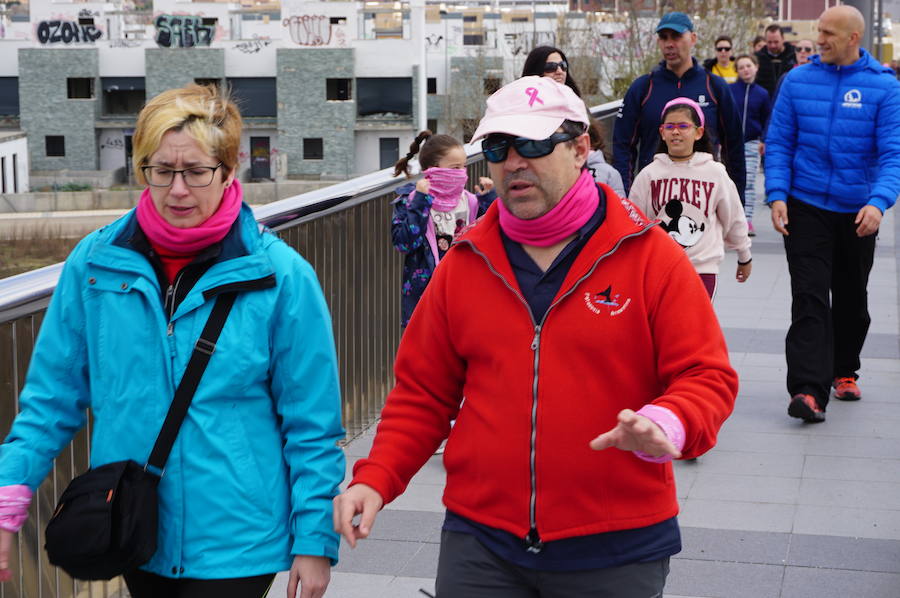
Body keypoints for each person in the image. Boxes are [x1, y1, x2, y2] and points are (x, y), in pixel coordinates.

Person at [334, 75, 738, 598]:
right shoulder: (464, 263)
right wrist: (375, 476)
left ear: (580, 148)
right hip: (481, 544)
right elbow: (423, 393)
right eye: (499, 148)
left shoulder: (650, 255)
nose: (513, 162)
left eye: (533, 144)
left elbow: (706, 375)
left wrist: (669, 421)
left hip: (616, 546)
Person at [0, 84, 345, 598]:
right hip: (137, 526)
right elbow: (50, 399)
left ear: (229, 171)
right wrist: (9, 502)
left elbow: (312, 424)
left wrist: (314, 540)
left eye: (196, 172)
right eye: (161, 171)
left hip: (239, 538)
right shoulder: (96, 266)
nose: (177, 190)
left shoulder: (280, 276)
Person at [765, 5, 900, 423]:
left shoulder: (883, 87)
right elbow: (780, 142)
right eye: (818, 30)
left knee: (850, 299)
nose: (818, 39)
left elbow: (892, 154)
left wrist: (878, 203)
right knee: (808, 297)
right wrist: (777, 194)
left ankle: (844, 369)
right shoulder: (797, 80)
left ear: (853, 38)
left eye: (827, 33)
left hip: (857, 210)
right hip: (805, 207)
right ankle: (807, 389)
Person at [613, 11, 746, 204]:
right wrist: (624, 198)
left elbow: (733, 146)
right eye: (663, 37)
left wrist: (737, 201)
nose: (669, 44)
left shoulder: (715, 86)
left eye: (676, 36)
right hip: (653, 198)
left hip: (704, 199)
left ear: (692, 38)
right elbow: (622, 145)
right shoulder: (643, 87)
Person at [629, 98, 752, 299]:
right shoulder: (648, 175)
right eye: (669, 126)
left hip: (702, 269)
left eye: (683, 126)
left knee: (694, 329)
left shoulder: (715, 173)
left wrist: (744, 256)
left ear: (698, 132)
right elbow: (635, 222)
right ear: (662, 132)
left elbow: (734, 217)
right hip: (659, 268)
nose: (675, 132)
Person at [392, 131, 495, 328]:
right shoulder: (411, 201)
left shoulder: (471, 201)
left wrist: (489, 199)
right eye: (455, 167)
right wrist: (421, 203)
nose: (462, 173)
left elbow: (494, 236)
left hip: (467, 299)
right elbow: (404, 243)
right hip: (425, 302)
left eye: (464, 167)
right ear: (433, 169)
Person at [521, 46, 625, 197]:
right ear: (536, 71)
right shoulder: (523, 111)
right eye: (551, 67)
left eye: (563, 66)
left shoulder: (578, 106)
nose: (559, 71)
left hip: (582, 178)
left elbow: (595, 145)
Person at [730, 54, 771, 235]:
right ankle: (731, 220)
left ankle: (747, 220)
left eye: (748, 66)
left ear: (756, 67)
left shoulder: (762, 94)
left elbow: (767, 119)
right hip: (731, 143)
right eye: (741, 67)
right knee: (731, 182)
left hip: (752, 143)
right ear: (737, 71)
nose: (745, 70)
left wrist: (764, 138)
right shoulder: (730, 90)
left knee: (749, 182)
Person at [754, 24, 797, 97]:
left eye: (776, 42)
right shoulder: (757, 58)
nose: (773, 45)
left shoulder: (794, 54)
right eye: (769, 42)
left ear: (783, 39)